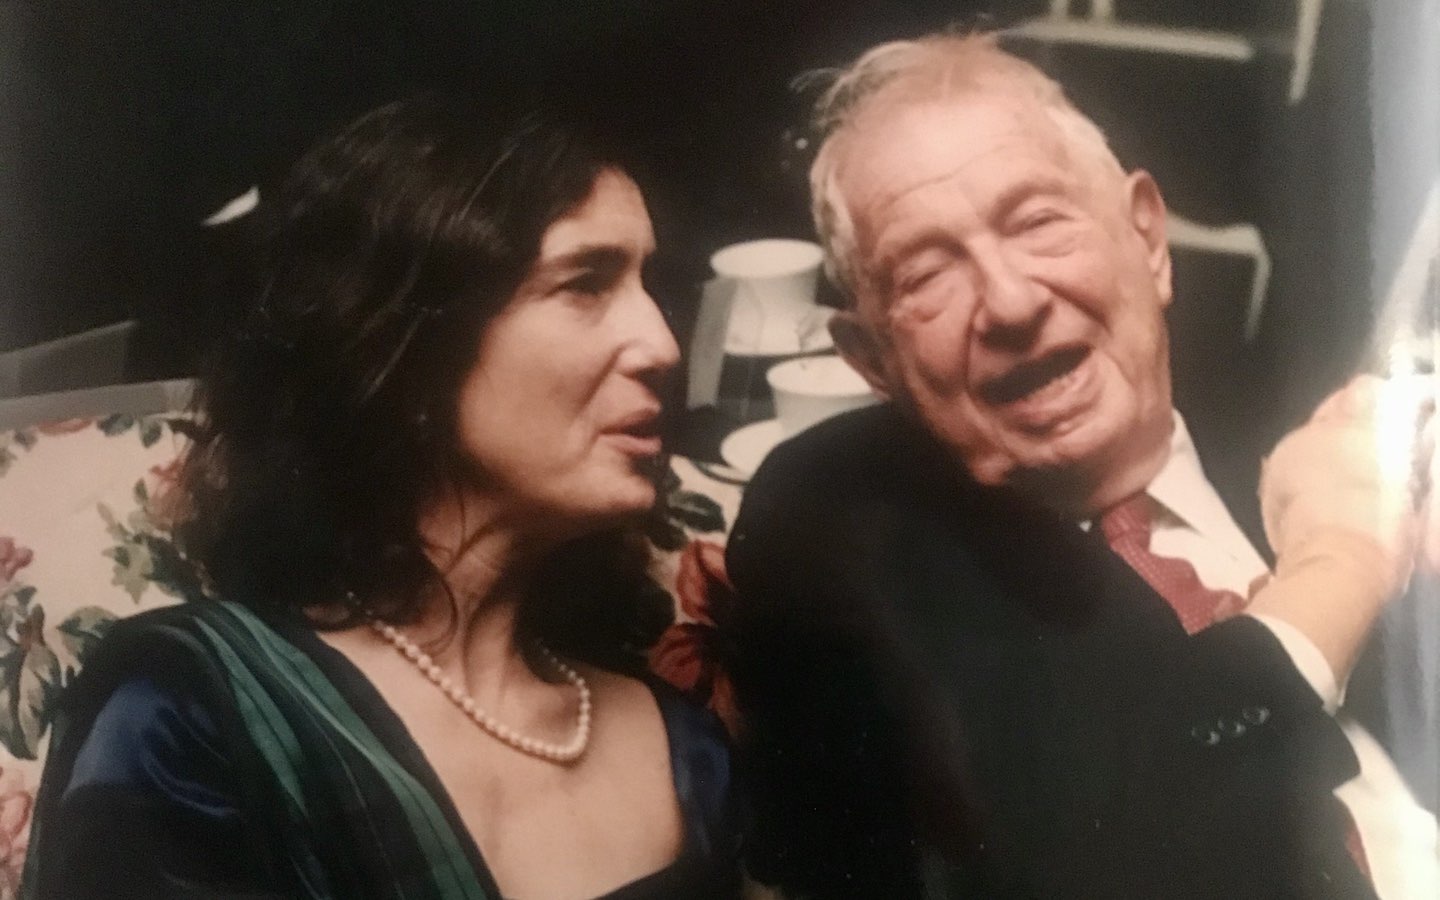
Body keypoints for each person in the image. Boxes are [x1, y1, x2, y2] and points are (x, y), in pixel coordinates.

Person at [722, 31, 1436, 899]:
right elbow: (1124, 845)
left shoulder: (1303, 433)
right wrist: (1344, 558)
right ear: (871, 360)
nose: (1012, 302)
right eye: (926, 273)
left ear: (1149, 237)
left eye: (1037, 222)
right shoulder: (836, 532)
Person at [23, 94, 739, 899]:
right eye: (585, 283)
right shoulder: (193, 707)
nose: (662, 346)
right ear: (407, 346)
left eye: (654, 287)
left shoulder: (684, 750)